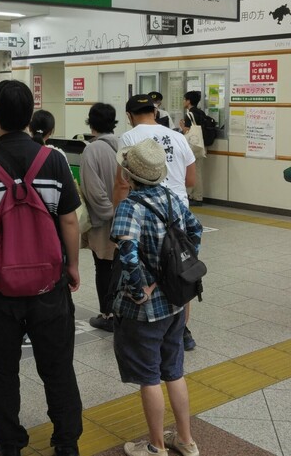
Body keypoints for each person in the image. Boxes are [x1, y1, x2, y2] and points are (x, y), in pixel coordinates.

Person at [0, 80, 83, 456]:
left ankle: (9, 443)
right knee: (58, 366)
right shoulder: (54, 160)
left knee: (2, 369)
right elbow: (70, 222)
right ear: (30, 117)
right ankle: (66, 442)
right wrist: (71, 265)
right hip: (49, 283)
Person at [111, 138, 202, 456]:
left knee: (150, 377)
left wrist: (139, 290)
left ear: (128, 175)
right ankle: (186, 440)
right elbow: (195, 231)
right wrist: (174, 273)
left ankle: (156, 446)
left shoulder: (130, 206)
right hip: (176, 302)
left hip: (146, 312)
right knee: (174, 371)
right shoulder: (170, 197)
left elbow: (127, 252)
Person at [113, 94, 198, 351]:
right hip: (178, 210)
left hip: (143, 212)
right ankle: (181, 330)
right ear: (155, 111)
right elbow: (190, 180)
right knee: (179, 267)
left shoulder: (129, 138)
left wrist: (119, 216)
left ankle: (151, 325)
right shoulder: (178, 136)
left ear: (129, 116)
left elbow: (121, 183)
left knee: (145, 265)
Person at [80, 103, 120, 333]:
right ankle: (123, 311)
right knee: (122, 265)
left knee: (103, 267)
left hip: (104, 222)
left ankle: (108, 314)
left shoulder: (92, 150)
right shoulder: (124, 144)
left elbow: (93, 190)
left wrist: (108, 213)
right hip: (126, 217)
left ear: (91, 122)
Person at [182, 91, 209, 206]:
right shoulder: (201, 112)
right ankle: (193, 195)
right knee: (196, 170)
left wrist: (182, 127)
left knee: (195, 171)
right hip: (201, 145)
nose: (183, 101)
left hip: (193, 147)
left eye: (184, 99)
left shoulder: (189, 114)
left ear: (188, 101)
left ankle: (197, 197)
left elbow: (187, 132)